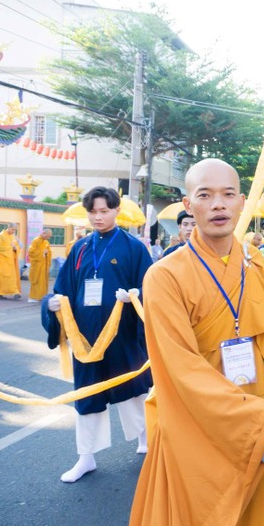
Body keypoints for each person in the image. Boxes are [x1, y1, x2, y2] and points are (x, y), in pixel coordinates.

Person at [128, 159, 264, 526]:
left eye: (228, 195)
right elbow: (180, 370)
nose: (218, 205)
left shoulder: (252, 260)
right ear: (188, 204)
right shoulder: (165, 276)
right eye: (205, 195)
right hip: (205, 423)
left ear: (241, 201)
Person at [42, 186, 153, 483]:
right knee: (87, 395)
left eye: (105, 210)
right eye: (93, 211)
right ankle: (86, 458)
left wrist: (135, 296)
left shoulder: (134, 247)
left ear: (117, 210)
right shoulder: (79, 248)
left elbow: (152, 287)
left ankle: (146, 438)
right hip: (85, 338)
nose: (98, 217)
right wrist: (52, 303)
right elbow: (63, 288)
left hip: (124, 332)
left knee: (134, 389)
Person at [0, 223, 21, 299]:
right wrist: (10, 248)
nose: (14, 231)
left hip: (11, 261)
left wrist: (15, 249)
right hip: (2, 261)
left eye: (15, 230)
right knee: (2, 278)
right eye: (13, 229)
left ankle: (15, 292)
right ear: (8, 227)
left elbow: (16, 247)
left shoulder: (12, 237)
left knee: (12, 278)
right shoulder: (0, 236)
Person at [27, 229, 52, 302]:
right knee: (36, 280)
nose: (48, 238)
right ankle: (33, 297)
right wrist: (42, 253)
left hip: (44, 265)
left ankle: (41, 296)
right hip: (37, 265)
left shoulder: (46, 242)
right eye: (47, 236)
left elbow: (49, 252)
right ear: (43, 233)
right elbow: (31, 252)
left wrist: (47, 253)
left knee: (43, 282)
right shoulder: (36, 241)